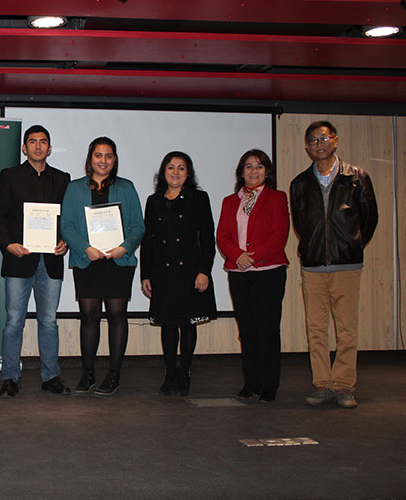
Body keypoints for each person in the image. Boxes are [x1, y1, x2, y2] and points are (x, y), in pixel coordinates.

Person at [290, 120, 378, 409]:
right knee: (315, 329)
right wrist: (315, 247)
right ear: (307, 148)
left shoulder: (356, 177)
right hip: (313, 266)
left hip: (347, 265)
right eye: (313, 141)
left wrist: (352, 244)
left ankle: (343, 386)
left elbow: (369, 218)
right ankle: (322, 384)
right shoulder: (300, 183)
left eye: (323, 138)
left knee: (347, 329)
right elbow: (302, 224)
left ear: (335, 141)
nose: (319, 144)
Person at [60, 137, 144, 397]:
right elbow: (67, 226)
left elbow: (138, 226)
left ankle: (114, 375)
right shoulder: (74, 188)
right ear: (90, 158)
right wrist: (86, 248)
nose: (103, 161)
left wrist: (124, 248)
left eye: (108, 156)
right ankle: (87, 374)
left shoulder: (127, 187)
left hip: (118, 261)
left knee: (117, 316)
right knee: (89, 316)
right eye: (98, 155)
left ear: (115, 160)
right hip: (88, 260)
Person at [0, 124, 71, 397]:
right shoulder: (10, 176)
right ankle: (9, 378)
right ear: (24, 148)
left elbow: (67, 220)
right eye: (32, 142)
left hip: (50, 261)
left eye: (43, 142)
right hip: (18, 260)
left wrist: (66, 241)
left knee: (48, 321)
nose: (38, 146)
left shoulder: (63, 179)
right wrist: (7, 245)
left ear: (49, 148)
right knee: (14, 320)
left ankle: (51, 377)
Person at [140, 151, 216, 397]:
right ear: (163, 172)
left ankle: (185, 372)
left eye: (181, 168)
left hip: (190, 271)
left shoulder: (199, 198)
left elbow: (207, 238)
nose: (175, 172)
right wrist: (145, 275)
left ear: (188, 173)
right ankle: (170, 372)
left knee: (187, 323)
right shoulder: (154, 201)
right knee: (168, 325)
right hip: (163, 272)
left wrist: (204, 271)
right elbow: (148, 241)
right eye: (170, 167)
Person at [216, 149, 289, 402]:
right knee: (246, 330)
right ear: (241, 172)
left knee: (267, 329)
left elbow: (279, 236)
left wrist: (253, 257)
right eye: (248, 166)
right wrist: (238, 256)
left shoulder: (277, 198)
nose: (253, 171)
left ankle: (269, 385)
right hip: (238, 273)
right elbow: (222, 236)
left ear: (267, 171)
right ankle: (251, 383)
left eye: (259, 166)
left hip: (269, 272)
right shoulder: (230, 201)